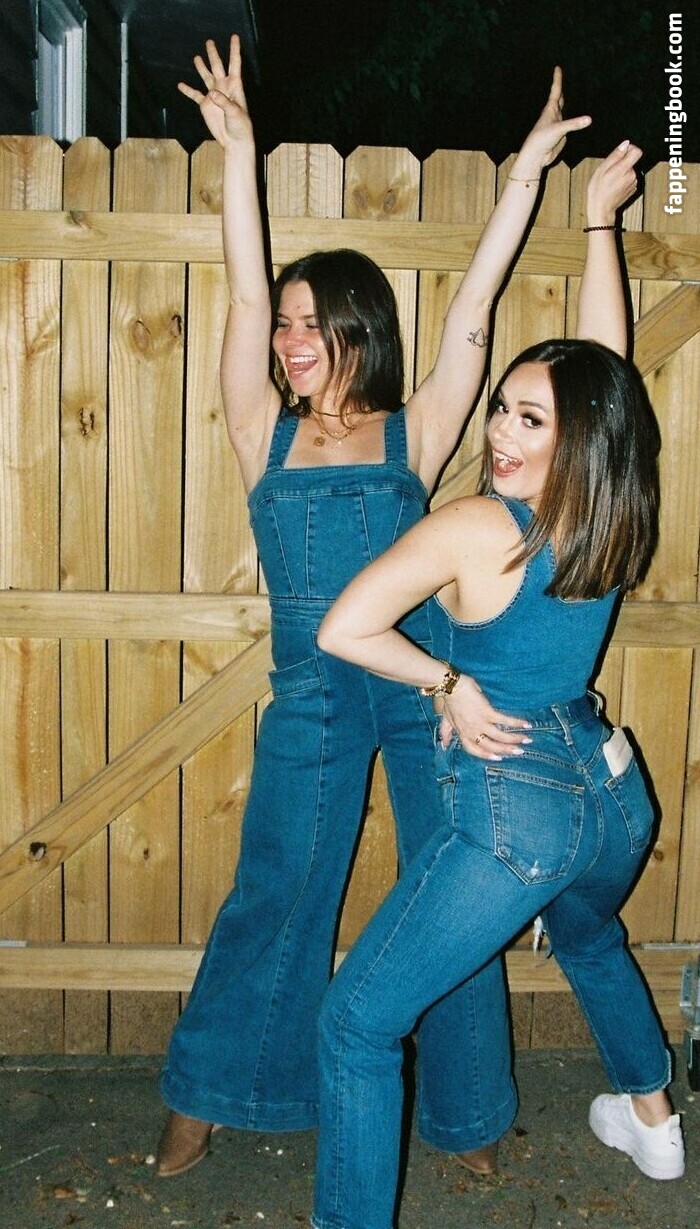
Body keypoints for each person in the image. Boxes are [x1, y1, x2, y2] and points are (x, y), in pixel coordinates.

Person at [156, 34, 601, 1179]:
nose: (290, 340)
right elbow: (240, 288)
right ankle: (212, 1089)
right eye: (285, 325)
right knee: (278, 888)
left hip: (426, 694)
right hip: (310, 693)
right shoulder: (262, 430)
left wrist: (523, 177)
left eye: (313, 321)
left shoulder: (420, 428)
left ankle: (467, 1113)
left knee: (444, 893)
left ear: (359, 328)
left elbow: (474, 309)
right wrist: (238, 152)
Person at [312, 154, 686, 1229]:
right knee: (591, 939)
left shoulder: (479, 525)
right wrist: (598, 222)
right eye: (503, 411)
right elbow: (606, 370)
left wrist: (446, 677)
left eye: (530, 419)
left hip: (519, 811)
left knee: (355, 1025)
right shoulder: (604, 508)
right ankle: (654, 1119)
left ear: (575, 434)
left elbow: (345, 627)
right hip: (611, 802)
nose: (501, 433)